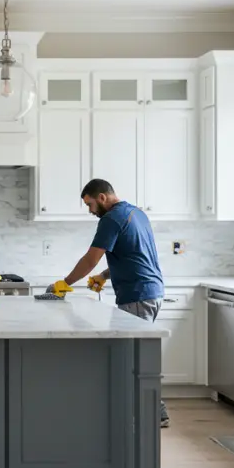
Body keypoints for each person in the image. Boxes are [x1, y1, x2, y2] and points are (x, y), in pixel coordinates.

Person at [54, 178, 169, 427]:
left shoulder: (111, 219)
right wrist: (104, 276)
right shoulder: (136, 213)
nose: (90, 210)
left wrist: (65, 284)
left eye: (90, 204)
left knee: (133, 357)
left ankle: (150, 413)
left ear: (102, 197)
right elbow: (132, 253)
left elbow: (91, 258)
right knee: (137, 354)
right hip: (151, 290)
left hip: (137, 293)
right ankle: (148, 411)